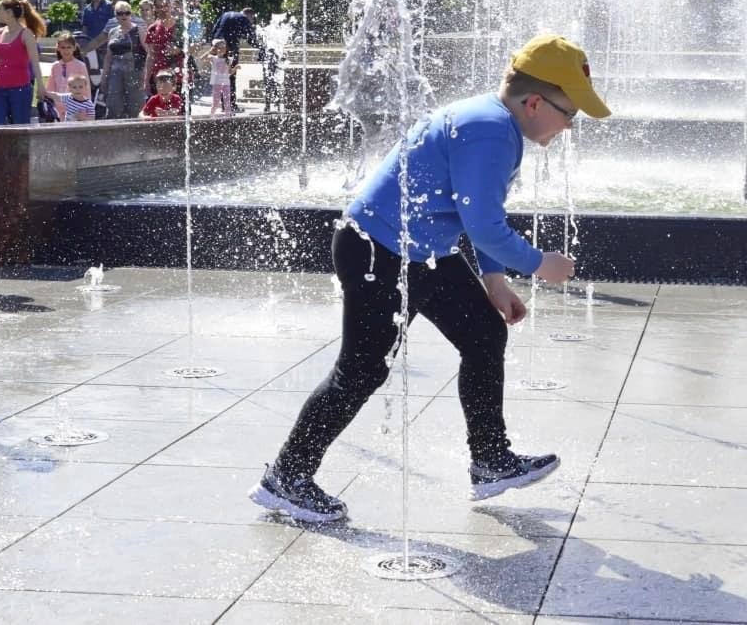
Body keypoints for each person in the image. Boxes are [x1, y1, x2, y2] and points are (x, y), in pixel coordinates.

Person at [248, 33, 611, 523]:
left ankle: (490, 460)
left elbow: (480, 212)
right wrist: (538, 263)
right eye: (570, 115)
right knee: (362, 370)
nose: (569, 127)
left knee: (484, 334)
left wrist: (495, 280)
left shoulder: (495, 123)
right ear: (534, 103)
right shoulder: (489, 131)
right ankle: (287, 477)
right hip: (377, 250)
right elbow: (484, 225)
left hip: (421, 253)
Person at [0, 0, 47, 125]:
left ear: (9, 12)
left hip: (20, 89)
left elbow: (35, 63)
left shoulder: (26, 34)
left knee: (20, 126)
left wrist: (41, 86)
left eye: (0, 9)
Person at [98, 1, 148, 119]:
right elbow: (108, 57)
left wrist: (146, 74)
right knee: (114, 103)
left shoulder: (139, 30)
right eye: (120, 13)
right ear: (116, 15)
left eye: (127, 12)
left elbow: (148, 53)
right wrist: (104, 77)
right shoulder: (112, 32)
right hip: (115, 73)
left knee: (135, 104)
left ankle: (137, 128)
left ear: (131, 14)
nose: (124, 15)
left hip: (135, 72)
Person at [210, 7, 258, 110]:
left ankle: (224, 104)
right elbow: (251, 38)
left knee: (221, 76)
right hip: (229, 46)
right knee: (231, 76)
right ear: (249, 15)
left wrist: (214, 46)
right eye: (252, 19)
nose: (251, 21)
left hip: (217, 44)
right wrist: (261, 49)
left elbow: (214, 30)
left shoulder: (226, 14)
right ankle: (230, 105)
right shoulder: (244, 18)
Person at [46, 31, 90, 120]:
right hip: (58, 111)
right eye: (63, 47)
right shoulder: (55, 66)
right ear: (58, 48)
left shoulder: (80, 66)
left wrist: (85, 109)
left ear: (74, 48)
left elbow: (87, 89)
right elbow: (50, 88)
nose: (66, 50)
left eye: (69, 47)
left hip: (76, 110)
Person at [203, 38, 233, 116]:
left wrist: (236, 68)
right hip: (216, 83)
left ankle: (228, 116)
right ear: (216, 49)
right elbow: (202, 58)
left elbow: (229, 72)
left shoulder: (228, 60)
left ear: (226, 49)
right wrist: (210, 50)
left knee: (227, 101)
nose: (221, 50)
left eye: (223, 48)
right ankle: (211, 115)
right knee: (216, 102)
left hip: (226, 83)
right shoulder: (214, 58)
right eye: (219, 48)